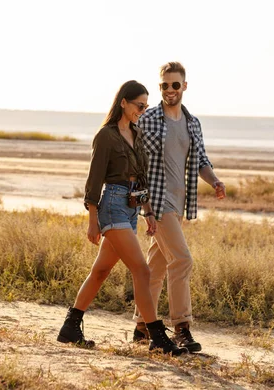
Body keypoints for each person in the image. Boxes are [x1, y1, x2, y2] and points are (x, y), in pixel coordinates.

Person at [56, 80, 188, 356]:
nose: (142, 110)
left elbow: (140, 179)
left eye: (146, 106)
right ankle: (155, 336)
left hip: (131, 207)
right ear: (123, 103)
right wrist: (92, 220)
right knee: (142, 270)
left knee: (101, 271)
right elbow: (94, 180)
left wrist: (148, 211)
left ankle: (70, 326)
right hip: (112, 205)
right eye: (139, 105)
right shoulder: (106, 135)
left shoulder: (137, 134)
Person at [132, 62, 226, 353]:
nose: (170, 90)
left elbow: (201, 161)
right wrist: (142, 202)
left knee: (157, 267)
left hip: (180, 203)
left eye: (175, 85)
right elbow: (135, 160)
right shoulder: (147, 120)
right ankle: (181, 328)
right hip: (157, 204)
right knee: (182, 260)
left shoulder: (192, 123)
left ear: (184, 86)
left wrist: (215, 180)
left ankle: (141, 326)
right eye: (164, 86)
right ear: (160, 88)